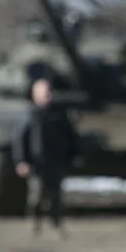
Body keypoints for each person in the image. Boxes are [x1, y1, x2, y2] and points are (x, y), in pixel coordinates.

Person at [13, 78, 79, 239]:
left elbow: (71, 138)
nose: (48, 96)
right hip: (37, 163)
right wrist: (21, 161)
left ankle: (56, 225)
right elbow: (21, 140)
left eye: (49, 93)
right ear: (36, 96)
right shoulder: (31, 116)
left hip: (55, 162)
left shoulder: (60, 115)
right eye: (44, 93)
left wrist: (74, 155)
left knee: (55, 197)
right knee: (36, 196)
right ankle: (34, 224)